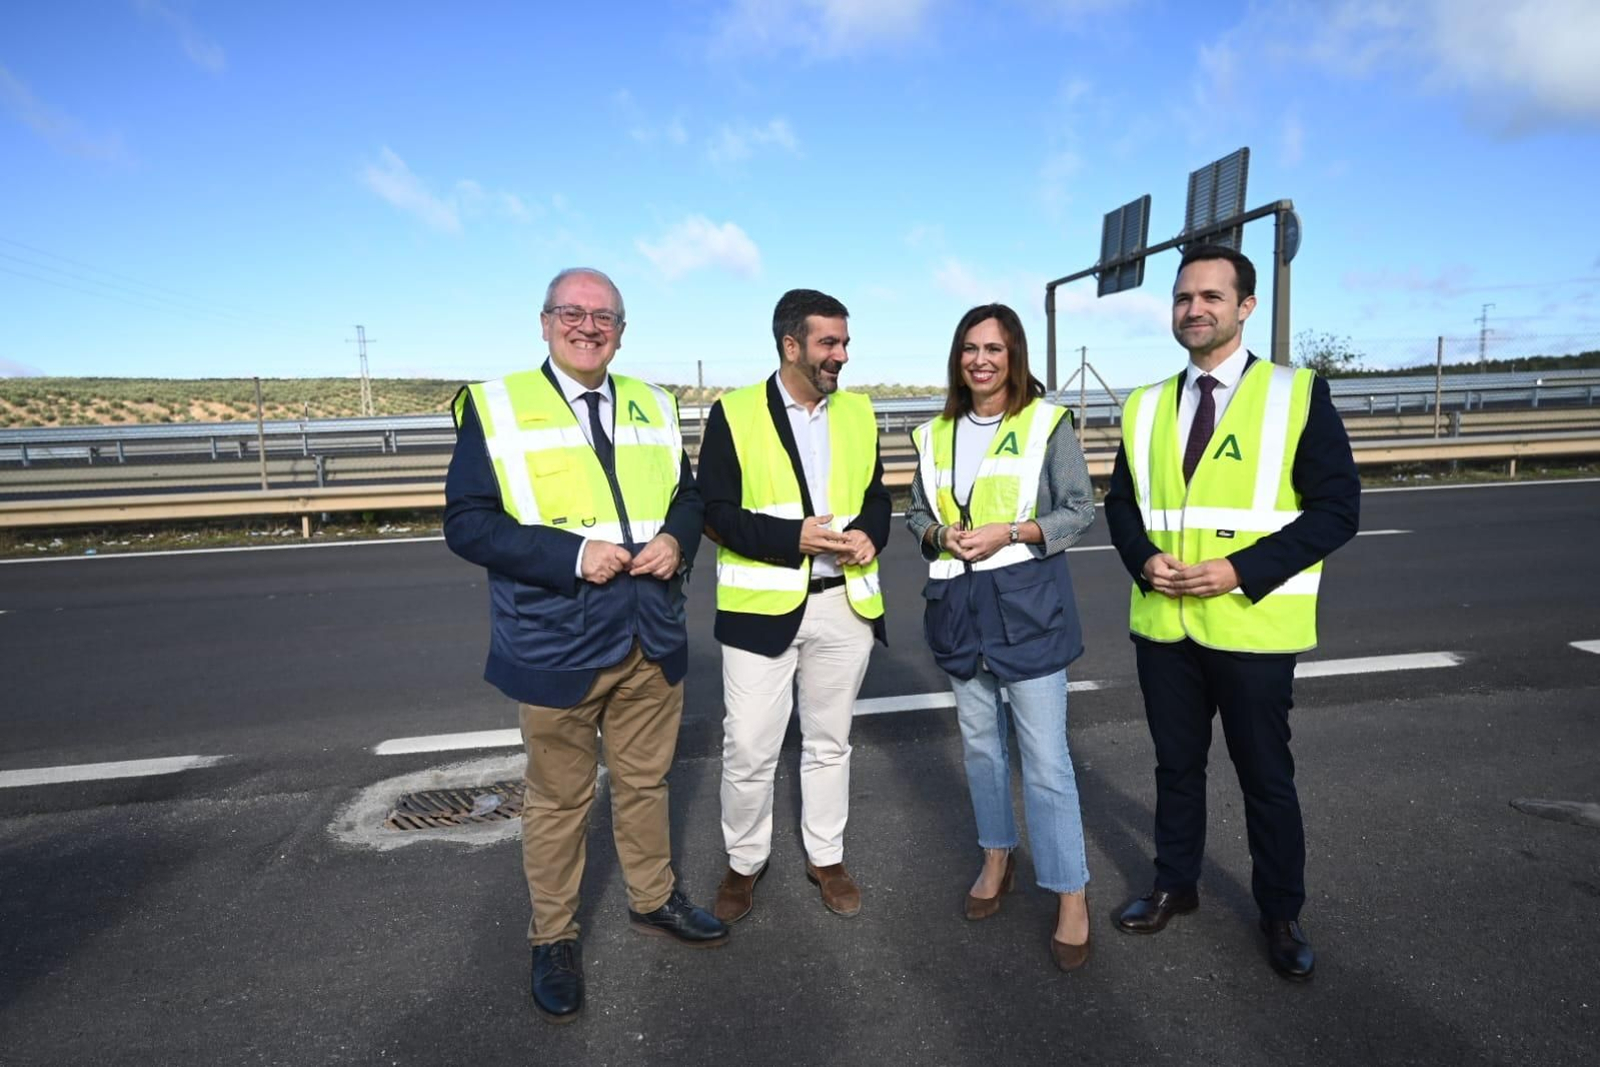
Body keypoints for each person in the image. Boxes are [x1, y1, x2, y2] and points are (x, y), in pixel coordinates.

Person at [444, 267, 727, 1024]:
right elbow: (468, 523)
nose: (588, 324)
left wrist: (677, 537)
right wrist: (571, 554)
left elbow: (688, 496)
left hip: (650, 634)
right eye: (572, 311)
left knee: (645, 783)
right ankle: (553, 937)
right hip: (556, 642)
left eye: (604, 314)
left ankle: (653, 897)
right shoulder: (497, 404)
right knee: (559, 800)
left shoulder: (653, 402)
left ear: (622, 330)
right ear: (544, 322)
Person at [1105, 244, 1360, 982]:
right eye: (1184, 297)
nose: (1194, 309)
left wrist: (1238, 570)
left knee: (1265, 778)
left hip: (1251, 626)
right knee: (1175, 768)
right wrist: (1140, 557)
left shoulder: (1298, 393)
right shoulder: (1145, 402)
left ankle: (1280, 912)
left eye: (1211, 297)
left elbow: (1337, 510)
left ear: (1245, 306)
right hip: (1164, 624)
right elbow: (1122, 503)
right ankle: (1173, 884)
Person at [904, 303, 1098, 971]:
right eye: (969, 348)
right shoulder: (934, 434)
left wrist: (1010, 532)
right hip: (960, 612)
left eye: (993, 348)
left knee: (1045, 760)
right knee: (982, 749)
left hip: (1029, 614)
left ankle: (1071, 892)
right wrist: (938, 535)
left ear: (1014, 355)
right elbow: (914, 513)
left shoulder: (1047, 424)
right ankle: (996, 856)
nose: (980, 359)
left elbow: (1079, 509)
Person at [696, 288, 890, 923]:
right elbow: (715, 515)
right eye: (829, 343)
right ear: (791, 346)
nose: (841, 356)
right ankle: (743, 863)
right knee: (749, 747)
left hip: (845, 606)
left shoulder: (858, 413)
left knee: (830, 743)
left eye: (845, 343)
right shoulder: (734, 412)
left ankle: (825, 857)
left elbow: (877, 497)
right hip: (761, 612)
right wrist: (792, 538)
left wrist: (871, 533)